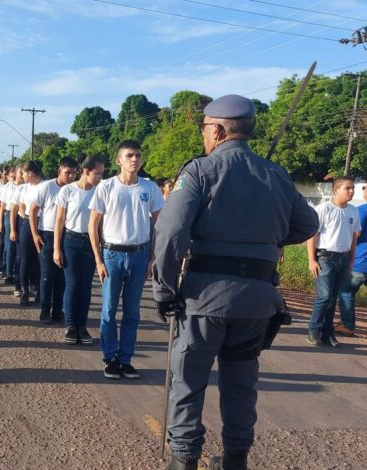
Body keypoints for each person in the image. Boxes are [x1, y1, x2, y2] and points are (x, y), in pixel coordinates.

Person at [153, 95, 319, 469]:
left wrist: (164, 291)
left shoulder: (199, 171)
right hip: (257, 300)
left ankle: (182, 461)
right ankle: (235, 460)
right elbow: (308, 225)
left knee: (188, 382)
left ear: (216, 130)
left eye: (204, 130)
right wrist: (262, 240)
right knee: (242, 384)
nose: (204, 137)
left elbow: (170, 233)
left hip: (205, 298)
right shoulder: (276, 174)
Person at [89, 140, 164, 380]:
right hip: (112, 254)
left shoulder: (150, 188)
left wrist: (153, 257)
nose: (135, 159)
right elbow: (93, 225)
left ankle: (126, 359)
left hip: (140, 254)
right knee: (109, 309)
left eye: (138, 155)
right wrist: (99, 260)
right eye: (129, 155)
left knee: (132, 311)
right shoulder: (106, 187)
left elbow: (157, 225)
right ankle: (110, 357)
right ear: (118, 160)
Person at [54, 155, 104, 342]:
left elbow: (100, 224)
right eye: (97, 174)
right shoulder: (67, 191)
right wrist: (56, 249)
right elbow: (59, 221)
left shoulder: (99, 192)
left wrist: (101, 248)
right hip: (71, 241)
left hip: (91, 243)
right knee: (73, 284)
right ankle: (70, 325)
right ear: (86, 171)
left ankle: (82, 327)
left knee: (86, 287)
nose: (100, 178)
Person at [307, 176, 361, 347]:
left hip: (343, 259)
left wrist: (351, 260)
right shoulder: (324, 209)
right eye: (347, 188)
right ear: (336, 190)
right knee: (323, 296)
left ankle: (327, 332)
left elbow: (353, 237)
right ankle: (314, 330)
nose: (351, 191)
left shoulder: (353, 211)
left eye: (352, 188)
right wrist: (312, 260)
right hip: (325, 258)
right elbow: (312, 235)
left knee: (333, 298)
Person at [31, 157, 76, 324]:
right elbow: (33, 210)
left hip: (67, 235)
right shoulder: (47, 187)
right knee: (47, 275)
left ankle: (58, 309)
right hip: (48, 234)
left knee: (61, 277)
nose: (70, 176)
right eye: (67, 172)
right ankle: (45, 310)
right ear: (59, 171)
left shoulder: (73, 189)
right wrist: (35, 234)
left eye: (73, 173)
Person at [338, 183, 367, 337]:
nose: (363, 190)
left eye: (365, 187)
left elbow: (355, 235)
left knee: (346, 292)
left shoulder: (362, 210)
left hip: (361, 262)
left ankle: (347, 325)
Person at [15, 161, 43, 306]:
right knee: (25, 258)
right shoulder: (24, 188)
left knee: (40, 260)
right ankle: (25, 290)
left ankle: (39, 290)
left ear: (30, 173)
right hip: (26, 223)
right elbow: (21, 206)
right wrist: (26, 218)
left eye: (24, 173)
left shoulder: (45, 186)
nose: (22, 176)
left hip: (43, 224)